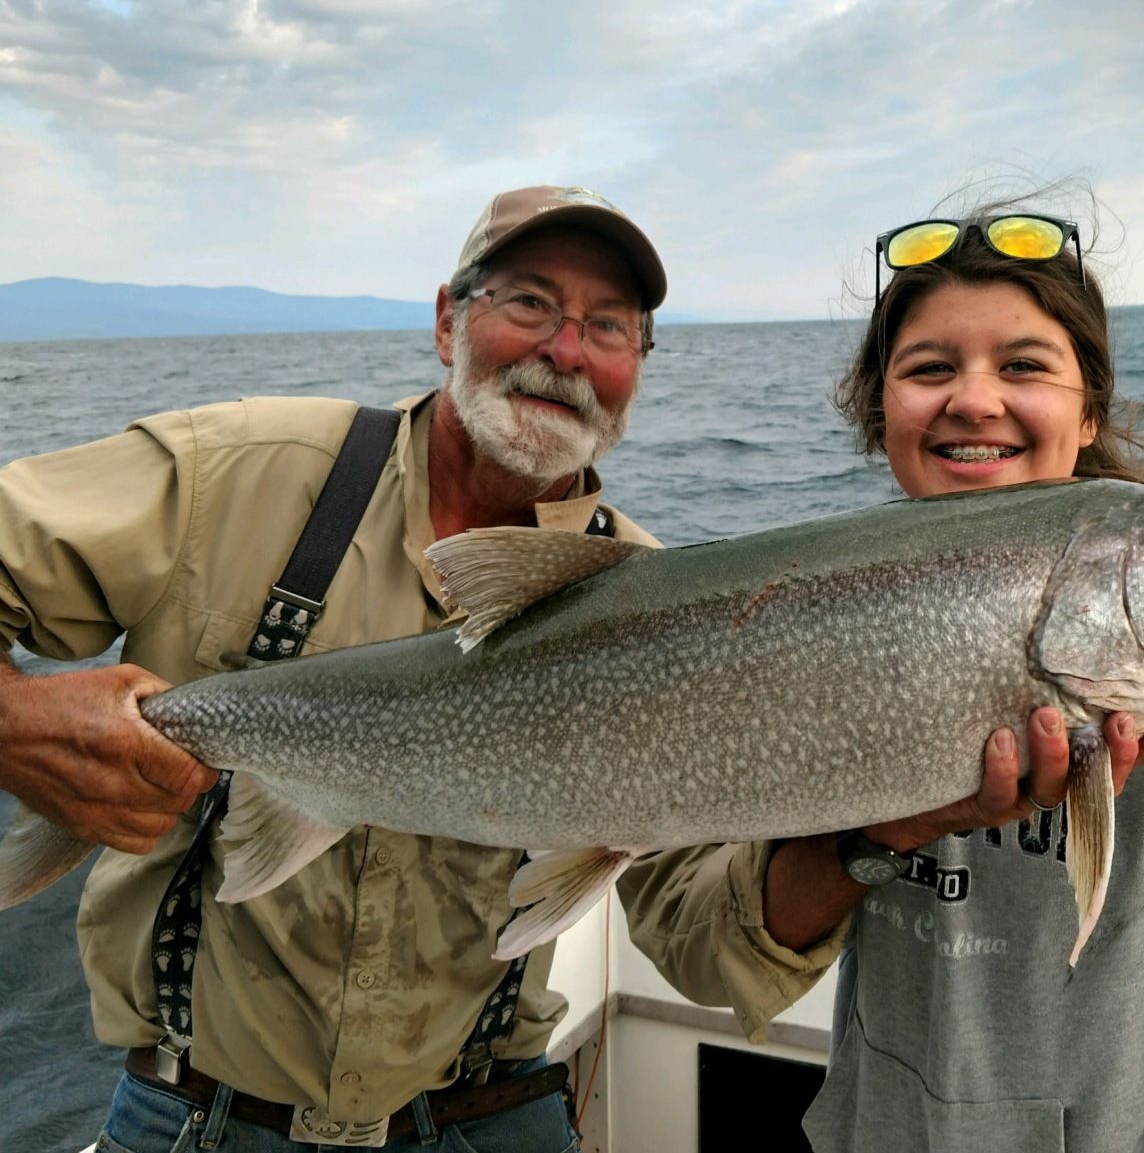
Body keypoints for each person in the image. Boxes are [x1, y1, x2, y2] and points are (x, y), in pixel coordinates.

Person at [620, 208, 1144, 1150]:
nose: (973, 399)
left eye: (1024, 365)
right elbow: (712, 957)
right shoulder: (822, 627)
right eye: (929, 368)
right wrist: (883, 835)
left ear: (1088, 409)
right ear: (882, 410)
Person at [0, 184, 670, 1151]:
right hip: (200, 1115)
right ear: (449, 321)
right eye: (530, 303)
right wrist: (15, 723)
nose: (565, 351)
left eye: (609, 326)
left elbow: (699, 922)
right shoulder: (232, 471)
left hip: (497, 1114)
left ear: (637, 368)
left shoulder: (654, 603)